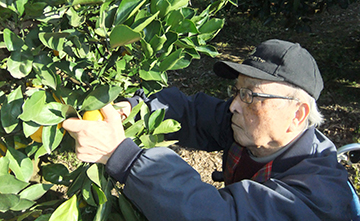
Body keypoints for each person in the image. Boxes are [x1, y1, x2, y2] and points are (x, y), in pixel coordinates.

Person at [63, 39, 352, 220]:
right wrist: (136, 108)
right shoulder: (250, 130)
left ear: (297, 114)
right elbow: (190, 113)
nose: (234, 106)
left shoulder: (320, 198)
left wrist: (123, 156)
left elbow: (219, 215)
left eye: (251, 96)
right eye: (237, 92)